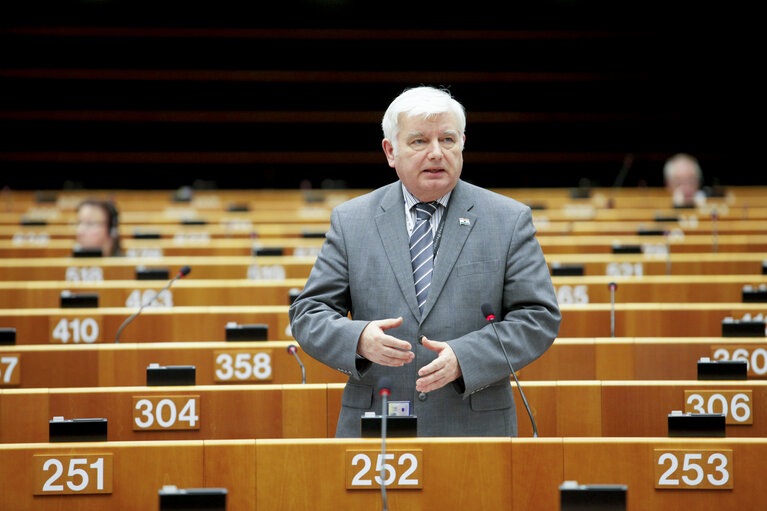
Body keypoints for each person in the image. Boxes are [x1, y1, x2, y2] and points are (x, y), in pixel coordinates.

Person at [289, 86, 561, 437]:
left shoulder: (507, 219)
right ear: (391, 151)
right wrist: (358, 339)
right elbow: (309, 313)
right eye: (419, 142)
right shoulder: (351, 220)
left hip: (476, 423)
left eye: (447, 139)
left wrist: (467, 357)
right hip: (378, 421)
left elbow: (538, 317)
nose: (436, 153)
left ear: (462, 143)